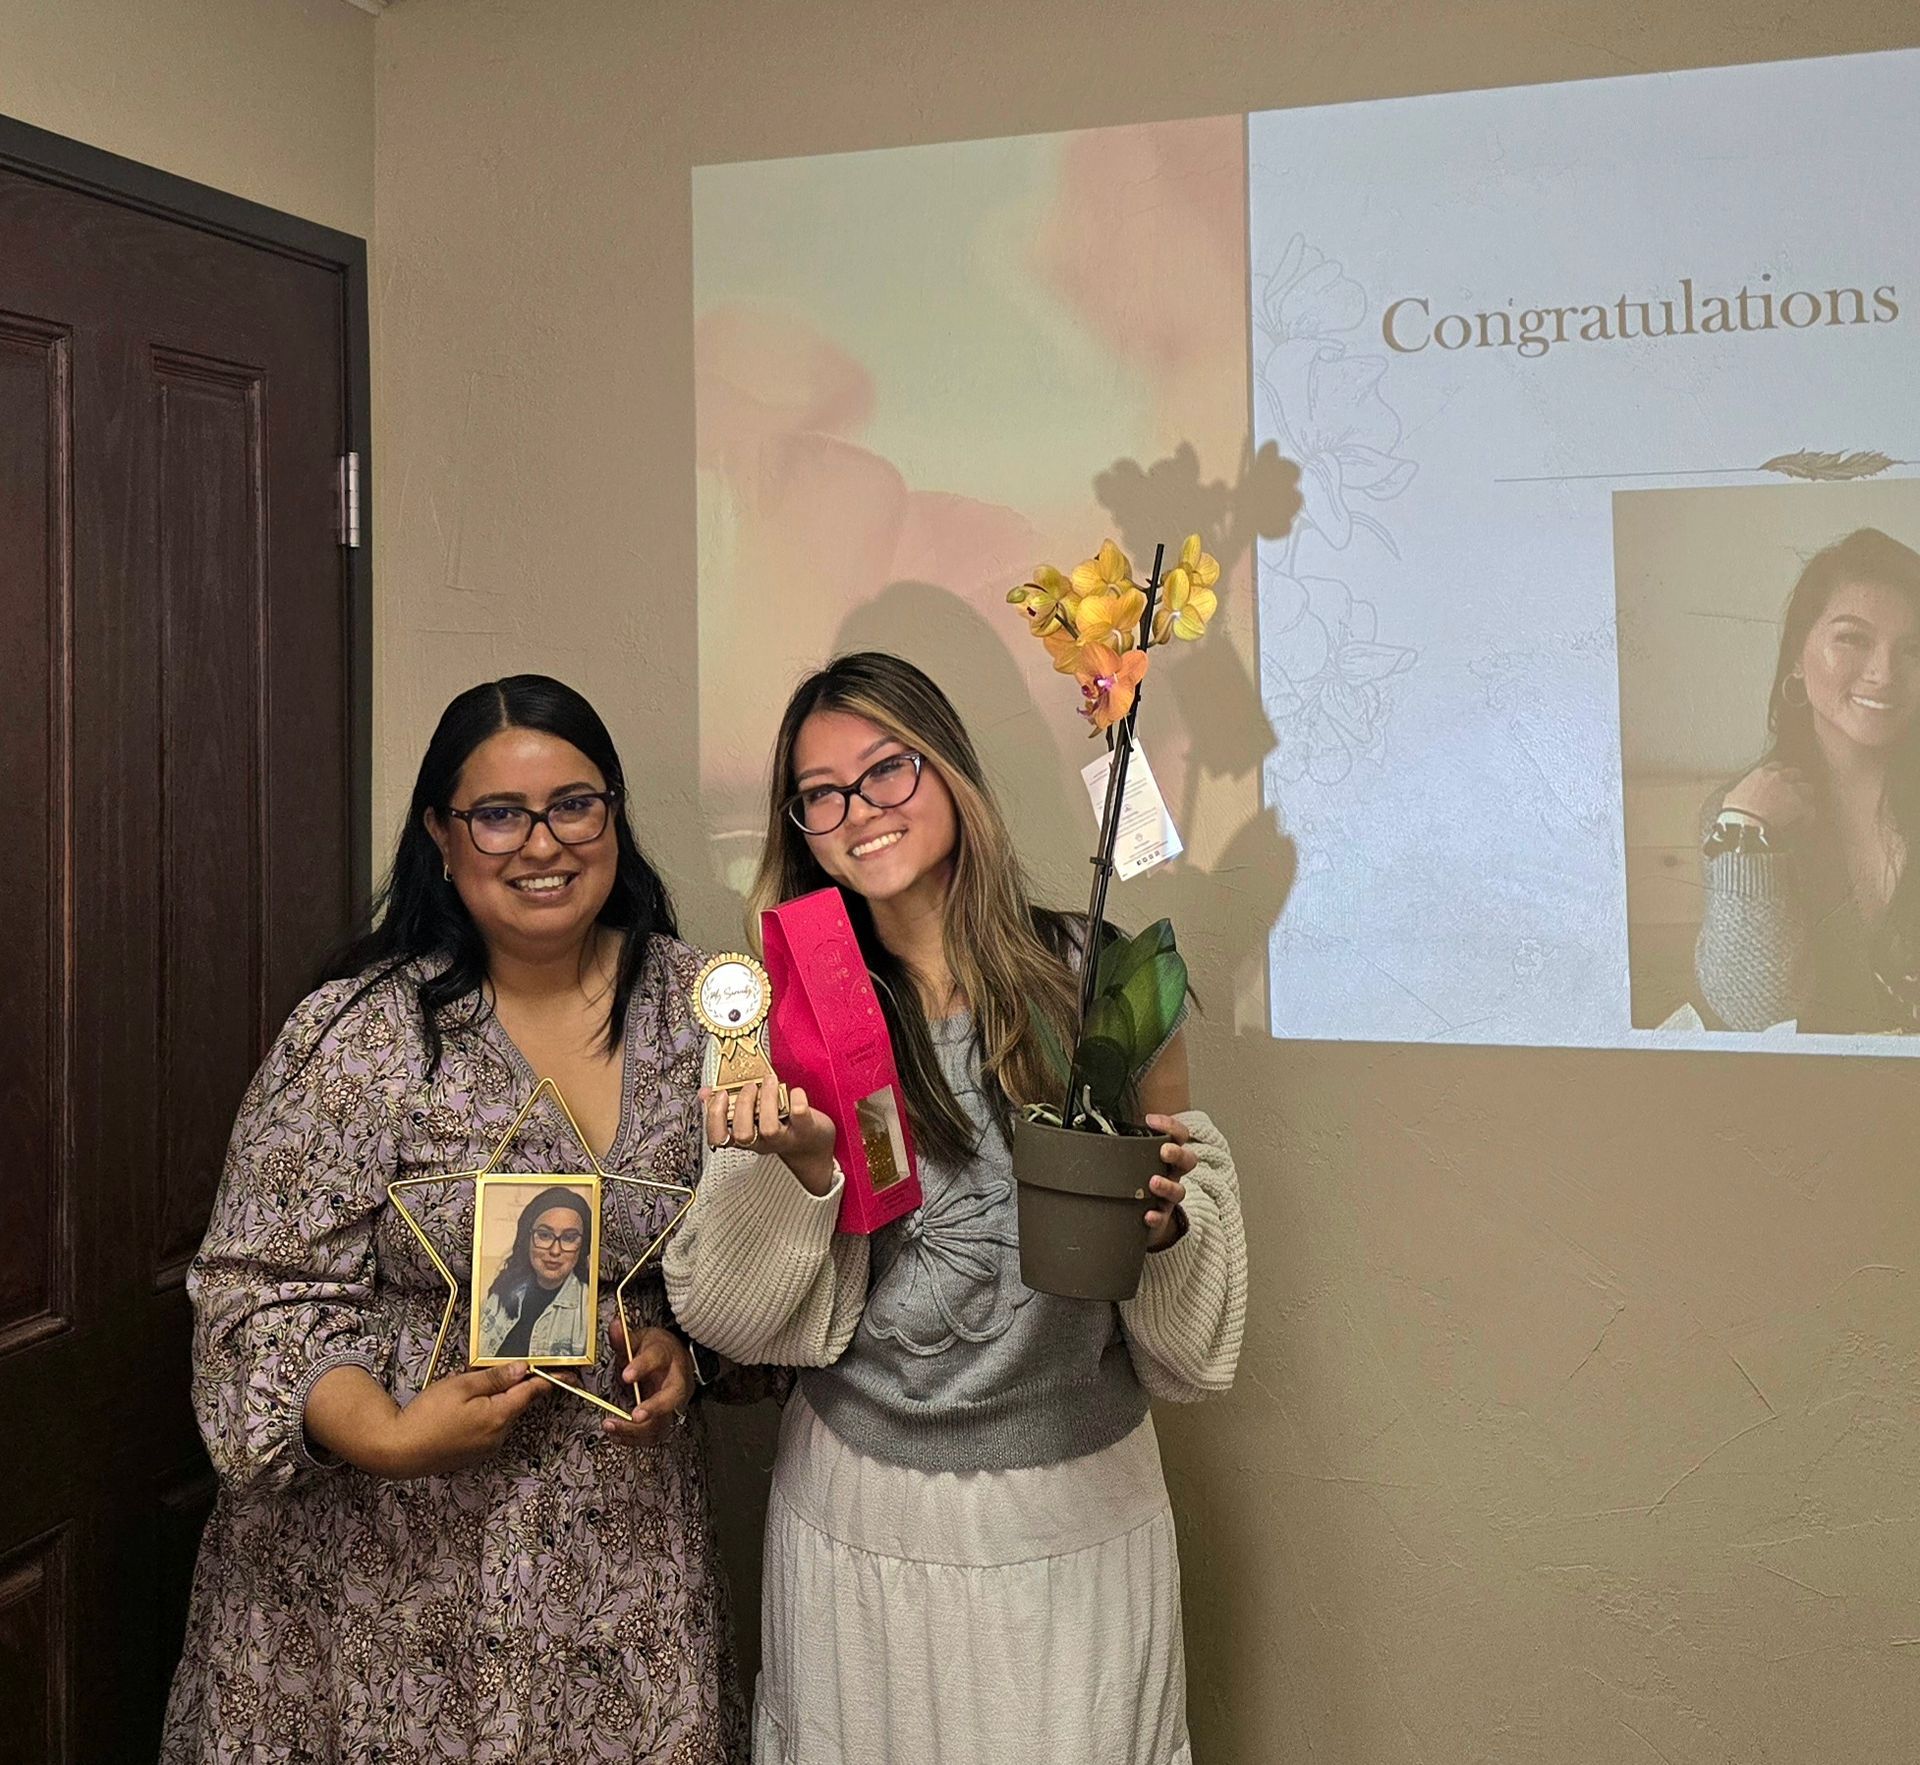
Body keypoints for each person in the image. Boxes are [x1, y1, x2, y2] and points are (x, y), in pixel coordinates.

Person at [664, 652, 1247, 1765]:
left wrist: (1165, 1227)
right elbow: (736, 1319)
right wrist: (798, 1170)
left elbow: (1186, 1351)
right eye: (821, 792)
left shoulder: (1102, 980)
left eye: (888, 770)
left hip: (1075, 1520)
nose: (858, 811)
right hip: (857, 1520)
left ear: (950, 773)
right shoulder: (779, 1013)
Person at [164, 675, 745, 1763]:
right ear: (442, 833)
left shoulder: (707, 1008)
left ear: (614, 814)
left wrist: (685, 1353)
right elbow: (254, 1293)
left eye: (576, 804)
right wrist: (382, 1434)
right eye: (499, 813)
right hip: (384, 1574)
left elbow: (753, 1261)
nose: (544, 842)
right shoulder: (359, 1036)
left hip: (617, 1568)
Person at [1696, 527, 1920, 1033]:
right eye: (1853, 639)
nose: (1884, 672)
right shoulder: (1737, 812)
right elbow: (1755, 1015)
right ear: (1797, 655)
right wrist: (1744, 831)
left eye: (1913, 649)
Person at [476, 1185, 594, 1361]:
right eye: (545, 1235)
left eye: (569, 1238)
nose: (555, 1251)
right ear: (527, 1239)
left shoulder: (588, 1307)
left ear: (582, 1246)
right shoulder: (501, 1292)